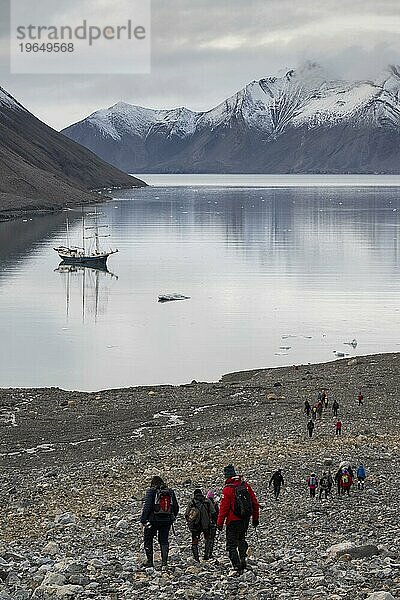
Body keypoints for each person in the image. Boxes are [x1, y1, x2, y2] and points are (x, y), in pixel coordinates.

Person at [217, 464, 259, 576]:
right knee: (241, 539)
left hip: (232, 521)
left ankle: (237, 566)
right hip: (245, 519)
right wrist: (255, 519)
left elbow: (223, 509)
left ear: (226, 476)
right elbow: (254, 502)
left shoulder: (227, 489)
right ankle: (242, 559)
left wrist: (219, 523)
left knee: (231, 545)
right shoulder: (245, 485)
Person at [140, 475, 179, 569]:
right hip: (166, 520)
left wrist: (143, 520)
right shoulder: (170, 492)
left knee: (148, 540)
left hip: (152, 520)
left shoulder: (152, 491)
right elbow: (176, 507)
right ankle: (164, 563)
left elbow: (147, 507)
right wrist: (172, 517)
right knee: (164, 540)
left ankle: (150, 562)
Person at [185, 488, 216, 562]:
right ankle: (206, 555)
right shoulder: (207, 501)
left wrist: (189, 524)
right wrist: (215, 522)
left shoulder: (192, 502)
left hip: (195, 525)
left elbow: (187, 514)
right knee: (207, 539)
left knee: (195, 542)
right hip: (206, 524)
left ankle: (196, 558)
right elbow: (213, 512)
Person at [206, 490, 219, 559]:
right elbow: (217, 515)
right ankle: (210, 553)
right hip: (213, 524)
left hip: (205, 524)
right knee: (212, 539)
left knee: (207, 539)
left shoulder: (204, 503)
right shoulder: (215, 504)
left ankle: (206, 553)